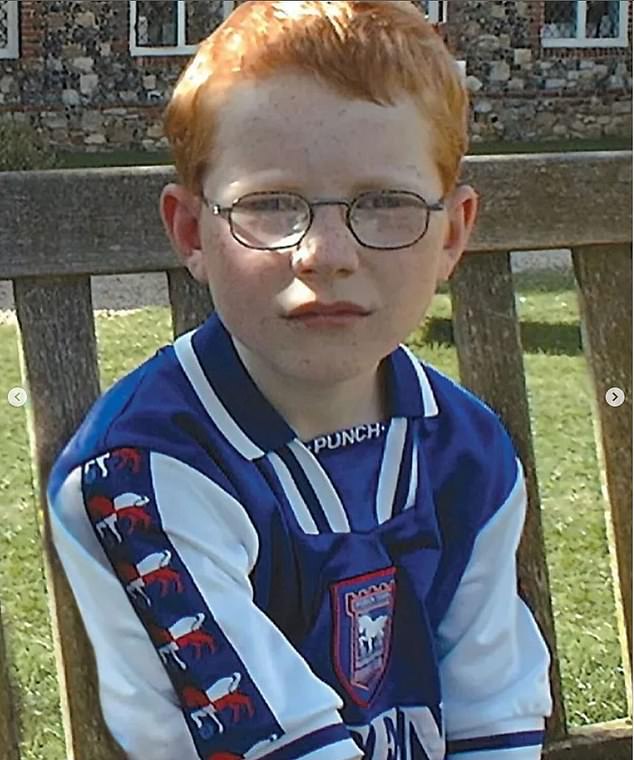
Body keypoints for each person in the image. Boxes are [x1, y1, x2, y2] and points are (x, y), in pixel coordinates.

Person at [47, 2, 552, 758]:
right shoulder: (141, 476)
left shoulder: (467, 450)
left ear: (452, 235)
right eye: (272, 204)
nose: (325, 253)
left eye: (385, 202)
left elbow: (493, 710)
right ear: (192, 233)